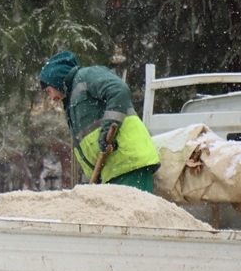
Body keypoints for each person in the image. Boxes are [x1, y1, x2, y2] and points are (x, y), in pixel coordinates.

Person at [38, 51, 161, 192]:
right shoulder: (72, 105)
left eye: (49, 91)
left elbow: (119, 90)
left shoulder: (87, 76)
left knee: (131, 213)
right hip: (112, 172)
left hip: (128, 162)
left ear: (56, 79)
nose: (52, 97)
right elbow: (88, 151)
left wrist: (107, 132)